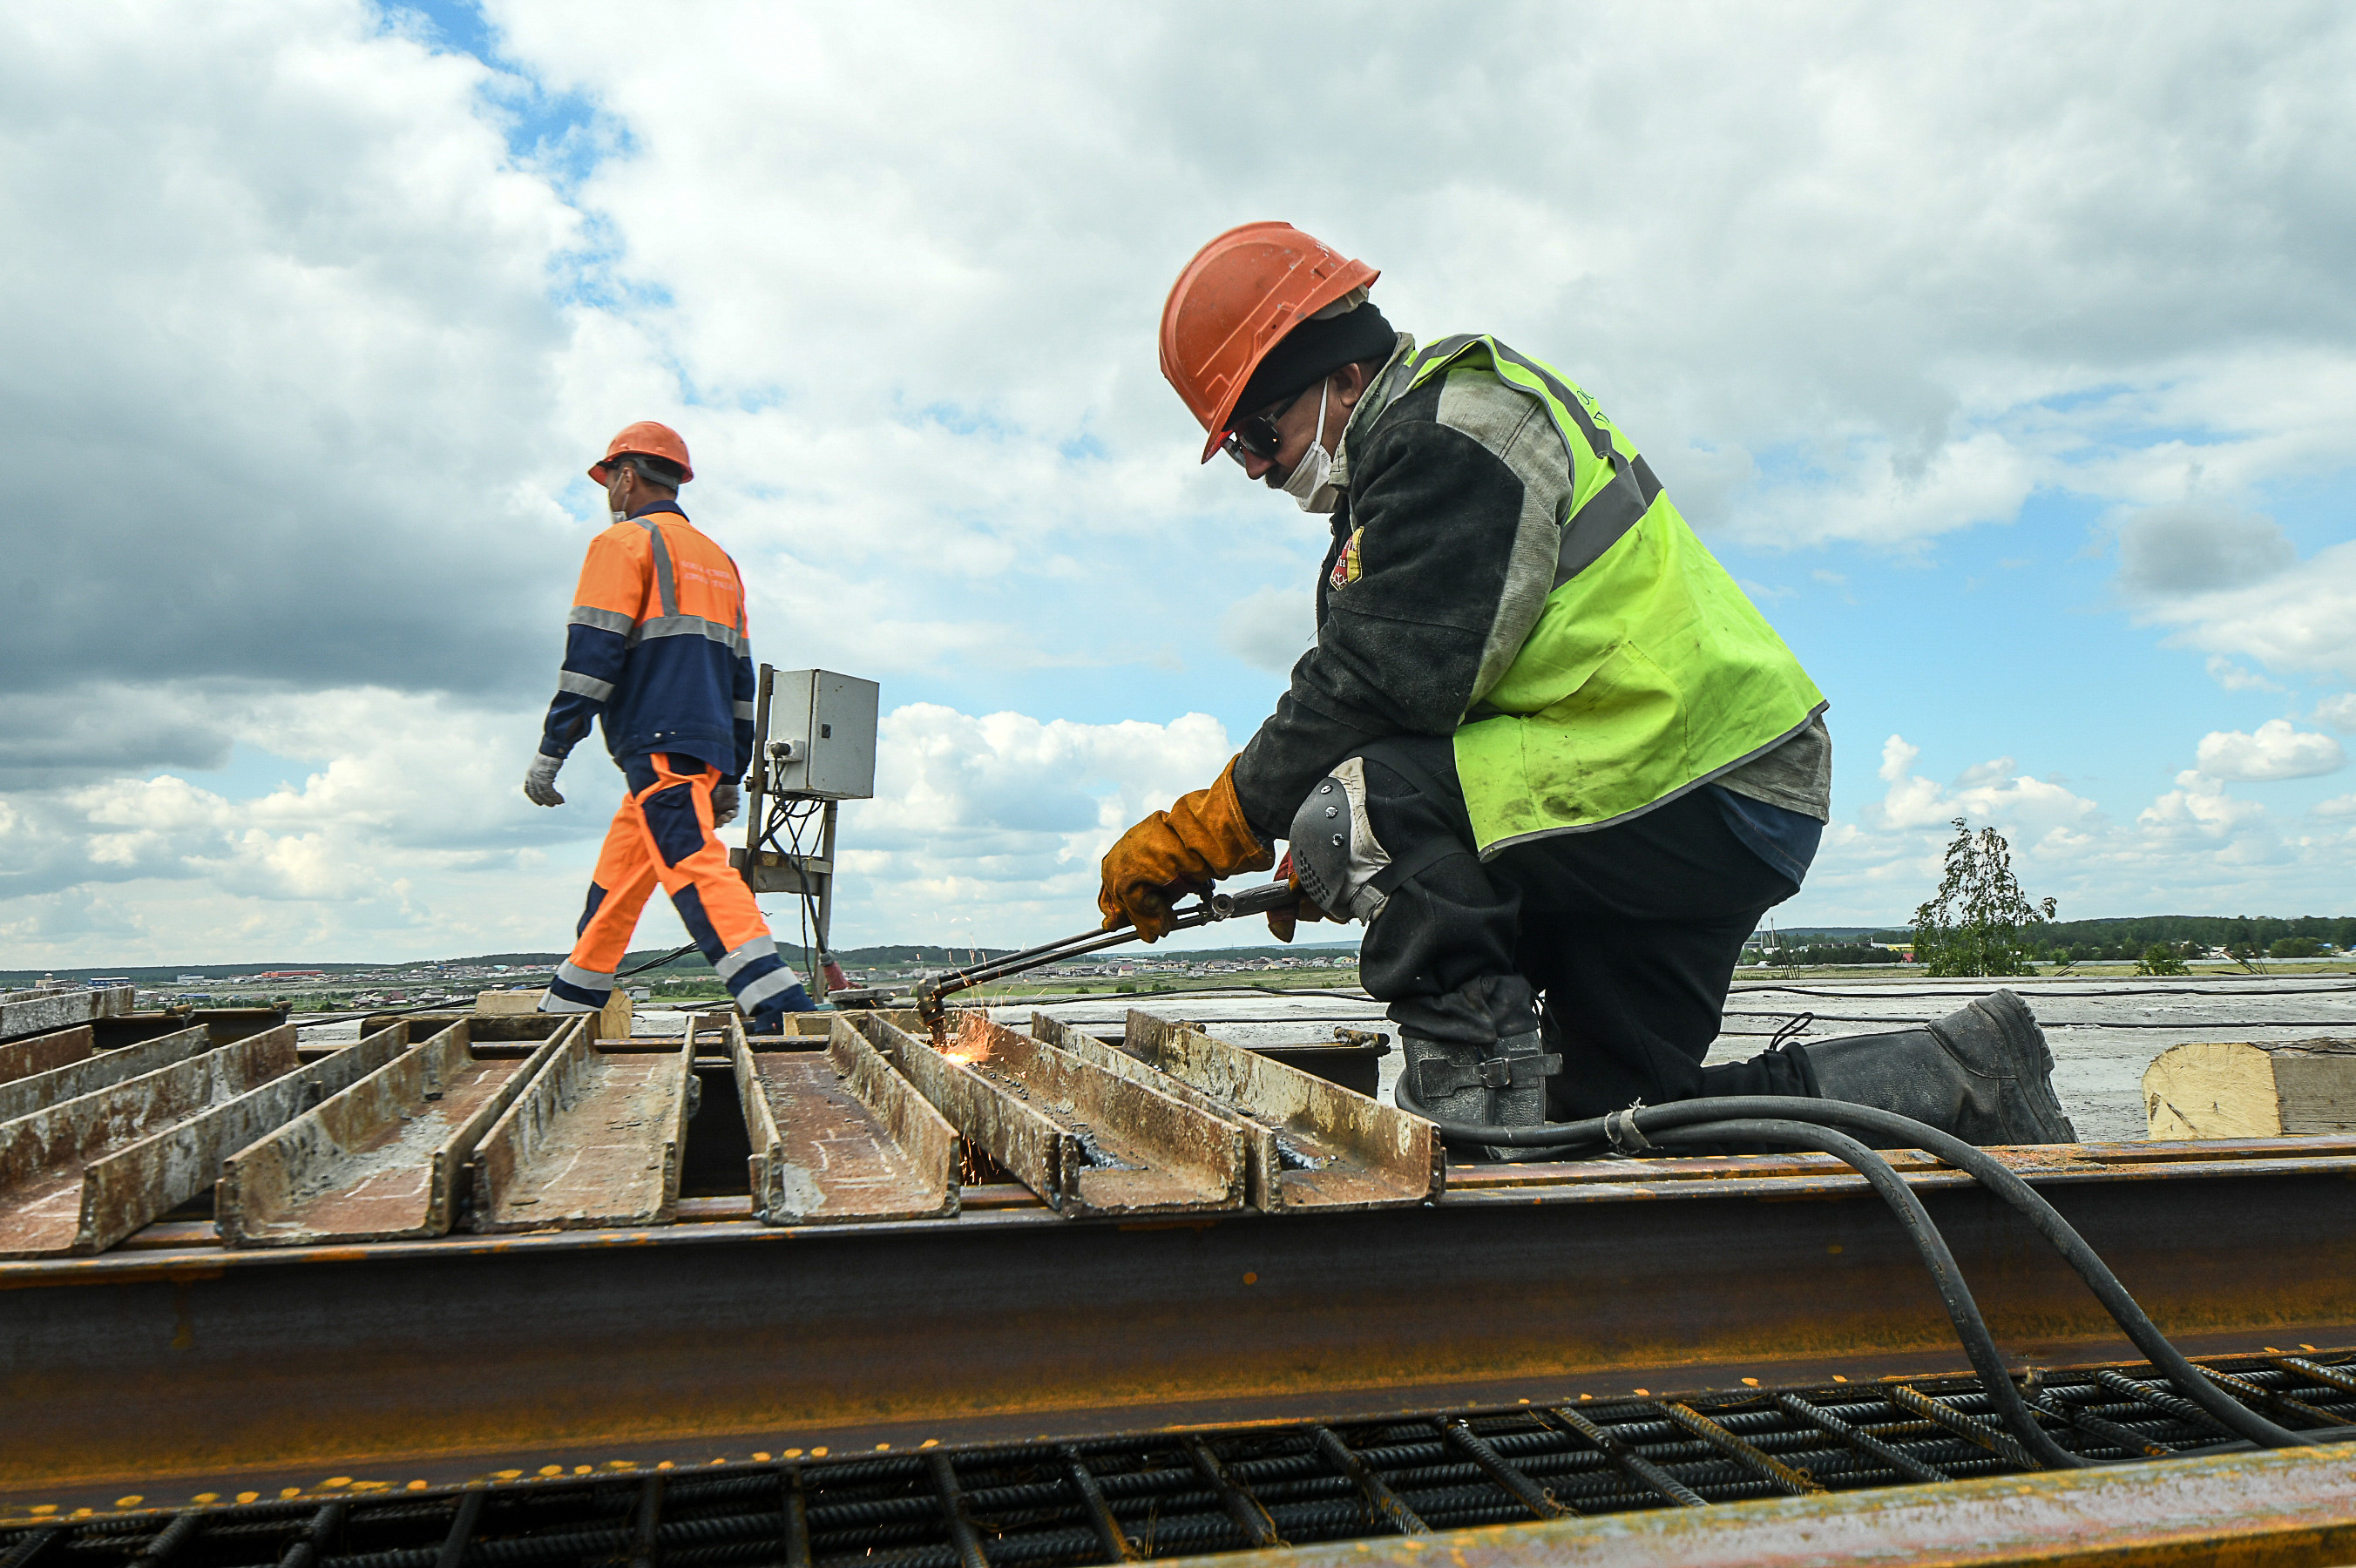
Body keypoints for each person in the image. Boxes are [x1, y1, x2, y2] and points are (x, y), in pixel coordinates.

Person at [1099, 223, 2075, 1153]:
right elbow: (1441, 696)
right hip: (1708, 786)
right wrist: (1358, 856)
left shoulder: (1452, 431)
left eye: (1257, 434)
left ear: (1344, 373)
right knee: (1616, 1114)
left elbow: (1375, 687)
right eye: (1235, 450)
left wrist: (1225, 827)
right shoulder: (1415, 453)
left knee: (1355, 809)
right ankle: (1967, 1077)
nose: (1259, 470)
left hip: (1681, 777)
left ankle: (1478, 1143)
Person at [523, 421, 816, 1031]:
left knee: (692, 863)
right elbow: (741, 676)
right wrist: (731, 770)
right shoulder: (718, 560)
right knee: (620, 885)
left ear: (627, 478)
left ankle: (781, 1007)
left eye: (609, 481)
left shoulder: (622, 545)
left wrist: (554, 748)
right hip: (700, 744)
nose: (609, 494)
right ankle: (567, 1012)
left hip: (657, 741)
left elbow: (591, 659)